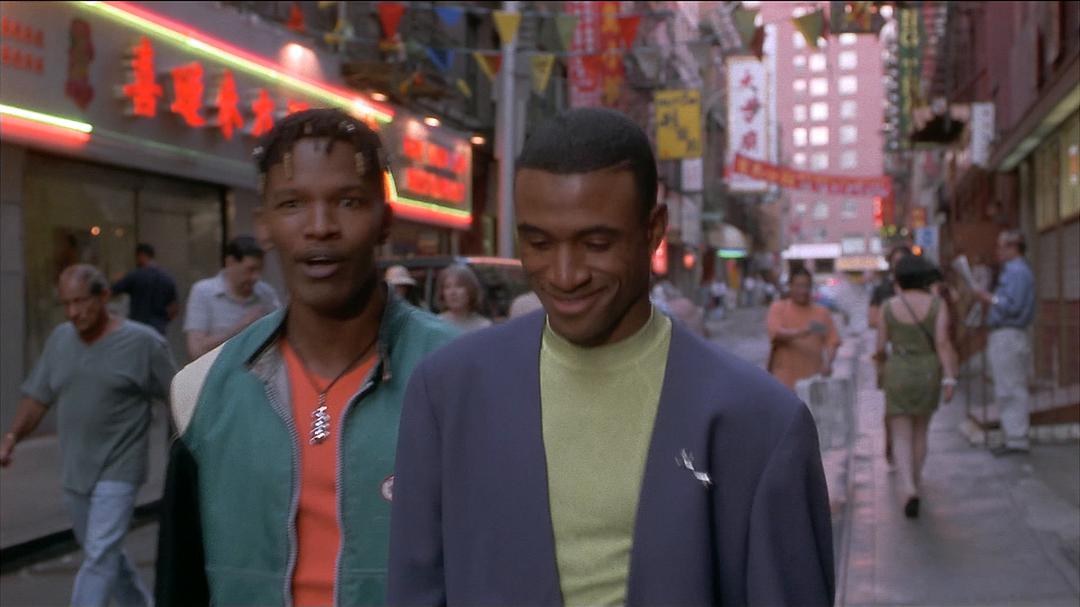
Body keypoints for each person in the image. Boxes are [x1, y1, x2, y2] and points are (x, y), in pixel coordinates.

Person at [387, 108, 834, 605]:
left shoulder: (761, 422)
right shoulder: (447, 393)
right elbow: (416, 586)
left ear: (653, 231)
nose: (565, 275)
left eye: (596, 243)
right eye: (538, 243)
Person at [154, 108, 459, 606]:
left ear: (385, 220)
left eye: (348, 201)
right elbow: (179, 585)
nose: (320, 227)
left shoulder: (458, 376)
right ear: (265, 224)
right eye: (293, 203)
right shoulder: (203, 393)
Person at [1, 264, 175, 606]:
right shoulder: (60, 340)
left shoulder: (143, 343)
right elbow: (38, 397)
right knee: (107, 555)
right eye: (66, 304)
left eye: (81, 301)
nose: (73, 312)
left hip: (121, 467)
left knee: (99, 555)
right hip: (77, 471)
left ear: (104, 297)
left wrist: (193, 446)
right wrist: (11, 438)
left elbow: (176, 394)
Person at [876, 254, 959, 517]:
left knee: (901, 434)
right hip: (927, 371)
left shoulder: (888, 307)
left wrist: (880, 369)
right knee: (921, 430)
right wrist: (949, 378)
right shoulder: (937, 305)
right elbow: (942, 343)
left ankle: (908, 487)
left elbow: (880, 347)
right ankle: (916, 478)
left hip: (898, 370)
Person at [972, 229, 1036, 456]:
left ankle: (1016, 437)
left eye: (1001, 246)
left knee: (1010, 387)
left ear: (1013, 247)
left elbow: (1012, 304)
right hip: (1007, 333)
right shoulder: (1016, 270)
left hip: (1009, 332)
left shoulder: (1017, 271)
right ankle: (1013, 435)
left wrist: (989, 298)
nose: (998, 251)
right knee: (1007, 385)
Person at [182, 235, 281, 359]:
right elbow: (196, 350)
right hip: (218, 368)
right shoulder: (204, 292)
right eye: (250, 270)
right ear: (231, 262)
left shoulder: (266, 293)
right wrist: (241, 328)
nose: (256, 277)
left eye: (259, 270)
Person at [868, 244, 913, 467]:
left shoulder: (918, 287)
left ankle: (907, 448)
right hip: (890, 353)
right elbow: (871, 319)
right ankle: (891, 444)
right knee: (892, 406)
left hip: (916, 355)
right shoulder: (883, 289)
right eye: (896, 262)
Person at [766, 266, 841, 391]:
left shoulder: (821, 313)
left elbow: (832, 341)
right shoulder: (778, 308)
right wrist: (802, 332)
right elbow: (776, 333)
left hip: (812, 383)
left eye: (807, 286)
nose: (803, 290)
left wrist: (828, 363)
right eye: (799, 286)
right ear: (790, 286)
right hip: (783, 384)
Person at [110, 242, 179, 336]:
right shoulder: (167, 278)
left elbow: (111, 292)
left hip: (138, 326)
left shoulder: (134, 276)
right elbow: (174, 308)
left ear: (140, 255)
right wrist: (163, 320)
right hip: (158, 327)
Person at [435, 264, 492, 332]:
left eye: (459, 286)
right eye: (447, 287)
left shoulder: (484, 326)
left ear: (470, 290)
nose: (452, 292)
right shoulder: (436, 325)